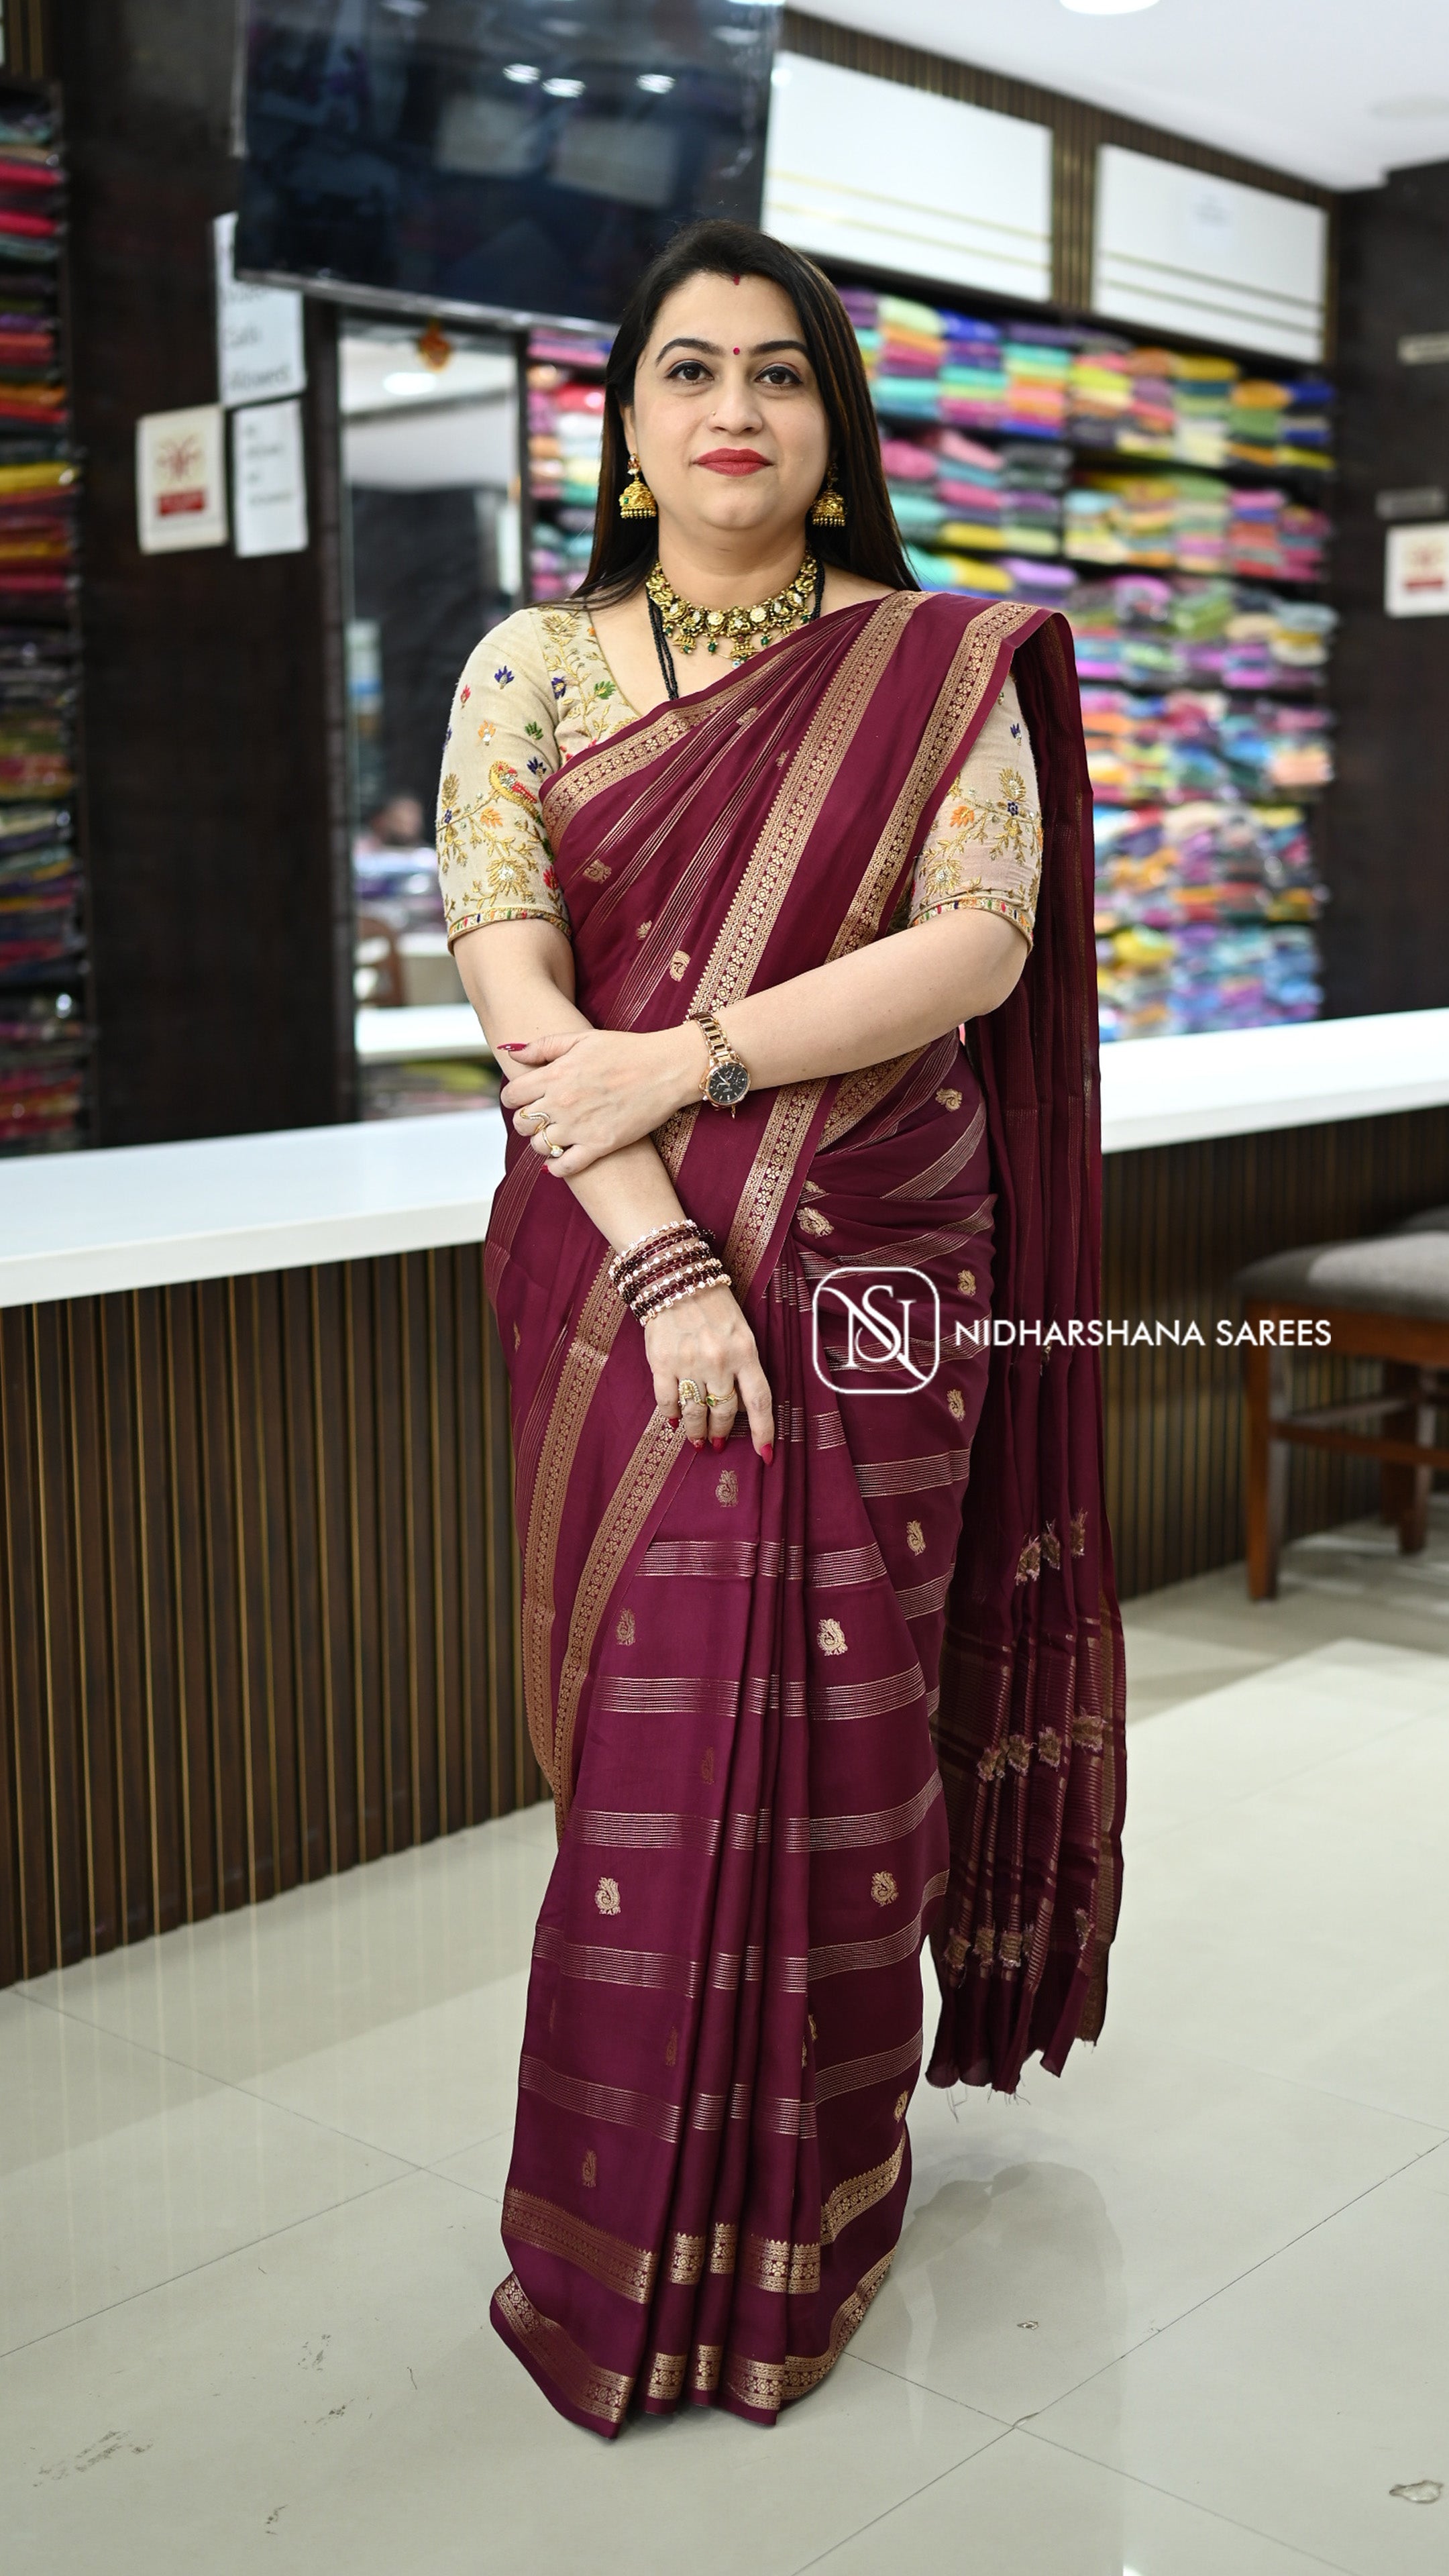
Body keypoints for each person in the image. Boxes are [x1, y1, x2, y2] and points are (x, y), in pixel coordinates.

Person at [437, 219, 1126, 2438]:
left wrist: (696, 1053)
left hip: (886, 1256)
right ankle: (619, 2245)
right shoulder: (534, 668)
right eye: (688, 370)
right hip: (613, 1246)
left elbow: (981, 941)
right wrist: (659, 1245)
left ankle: (820, 2204)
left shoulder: (938, 665)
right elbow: (517, 983)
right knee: (652, 1747)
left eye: (780, 373)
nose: (733, 408)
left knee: (856, 1720)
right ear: (626, 427)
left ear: (836, 425)